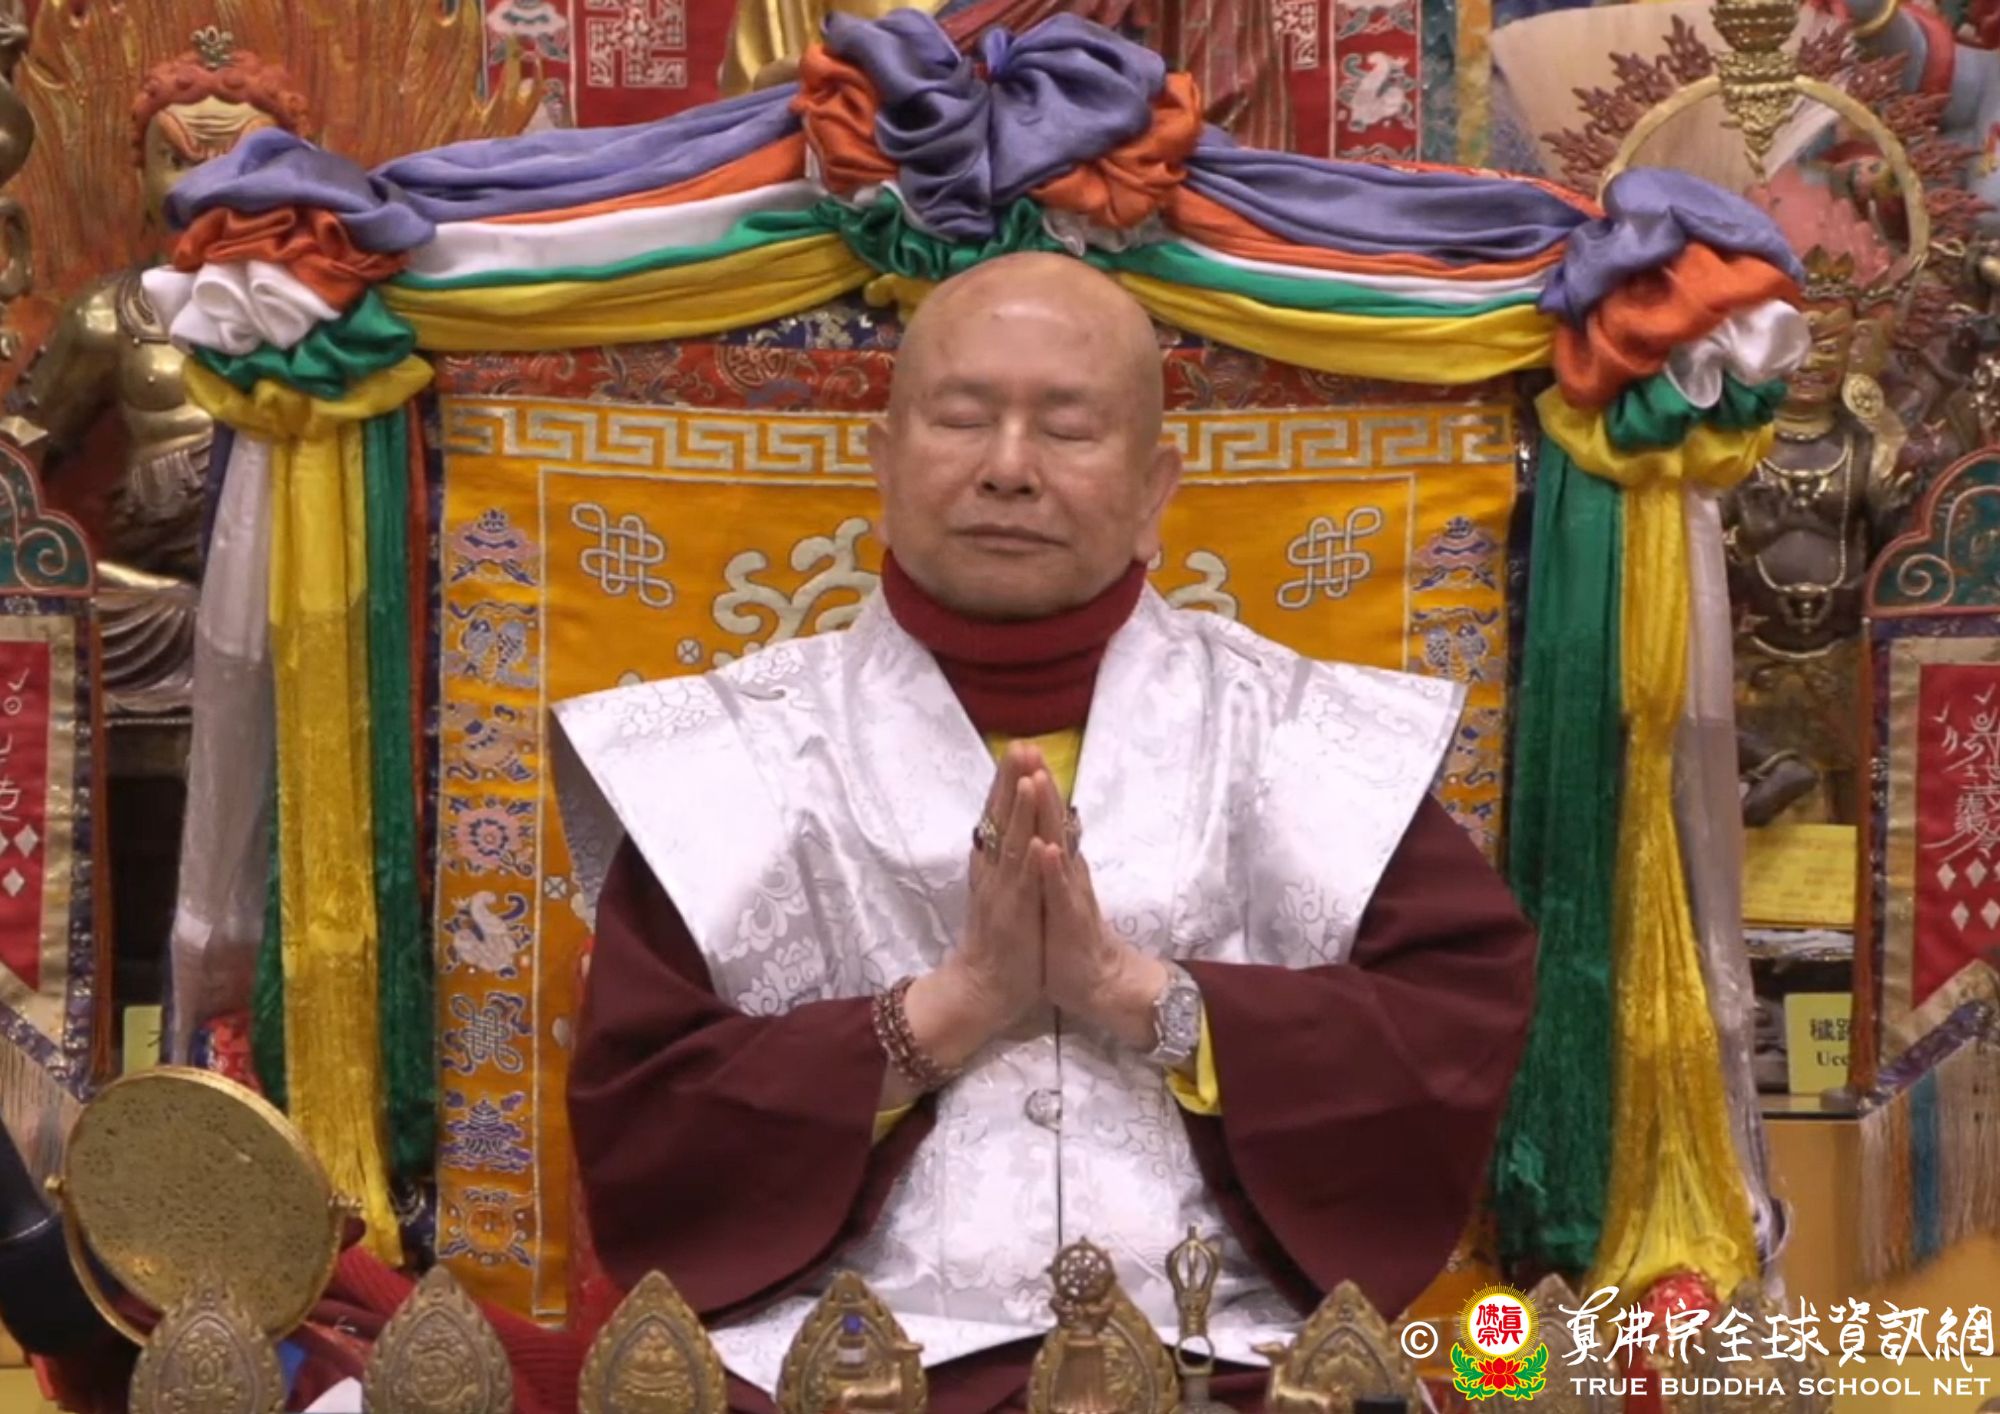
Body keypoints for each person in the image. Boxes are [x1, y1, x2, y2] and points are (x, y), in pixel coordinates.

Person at [557, 252, 1538, 1413]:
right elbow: (644, 1115)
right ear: (880, 461)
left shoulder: (1306, 737)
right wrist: (945, 1009)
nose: (1008, 469)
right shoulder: (724, 751)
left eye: (1066, 429)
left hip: (1233, 1352)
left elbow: (1443, 1036)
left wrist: (1139, 993)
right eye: (961, 419)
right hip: (825, 1361)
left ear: (1155, 487)